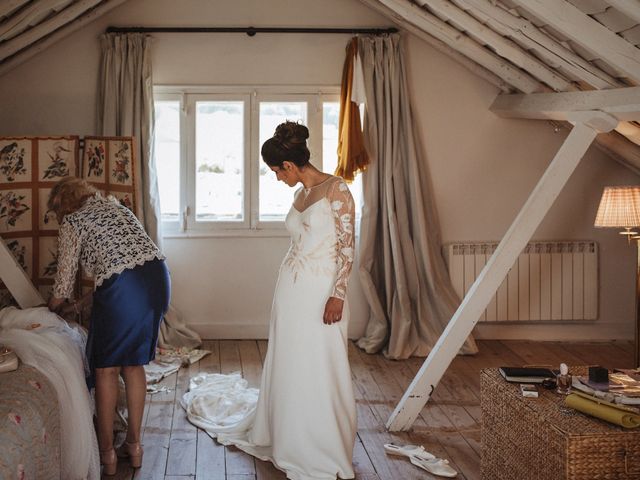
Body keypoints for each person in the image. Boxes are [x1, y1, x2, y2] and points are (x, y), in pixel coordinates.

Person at [182, 121, 357, 480]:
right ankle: (286, 433)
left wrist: (337, 295)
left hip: (322, 292)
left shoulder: (338, 191)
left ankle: (322, 443)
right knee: (290, 361)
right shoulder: (299, 196)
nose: (277, 178)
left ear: (290, 166)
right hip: (291, 291)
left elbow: (347, 249)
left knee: (322, 363)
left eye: (276, 171)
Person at [47, 177, 170, 476]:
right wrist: (82, 304)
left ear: (62, 206)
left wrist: (50, 310)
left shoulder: (74, 222)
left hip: (124, 289)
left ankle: (107, 455)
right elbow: (121, 271)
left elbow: (63, 284)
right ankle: (135, 446)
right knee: (134, 364)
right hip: (158, 279)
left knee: (106, 369)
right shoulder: (119, 209)